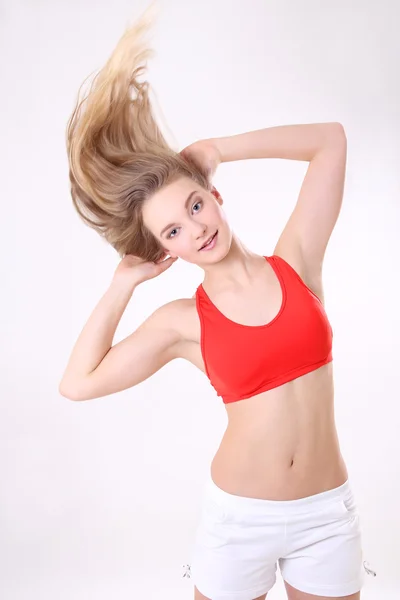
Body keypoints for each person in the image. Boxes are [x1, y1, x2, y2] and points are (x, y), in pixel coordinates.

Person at [59, 5, 376, 600]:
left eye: (195, 207)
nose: (194, 230)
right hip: (239, 525)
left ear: (214, 195)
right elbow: (78, 383)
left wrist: (219, 147)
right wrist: (122, 285)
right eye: (172, 232)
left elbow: (330, 141)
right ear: (164, 250)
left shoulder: (297, 263)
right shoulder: (182, 323)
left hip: (327, 516)